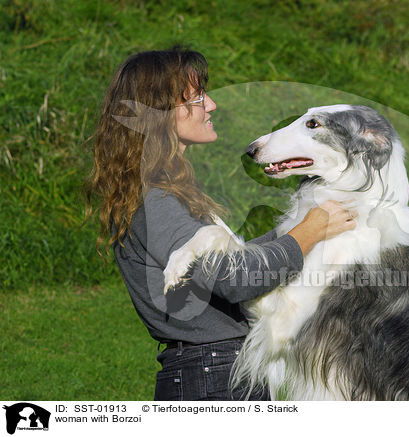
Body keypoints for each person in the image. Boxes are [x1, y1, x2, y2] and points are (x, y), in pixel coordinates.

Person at [86, 47, 357, 401]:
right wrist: (309, 231)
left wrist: (303, 227)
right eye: (196, 98)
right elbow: (234, 278)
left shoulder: (161, 187)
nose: (210, 105)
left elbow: (229, 263)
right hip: (212, 377)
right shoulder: (155, 198)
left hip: (218, 370)